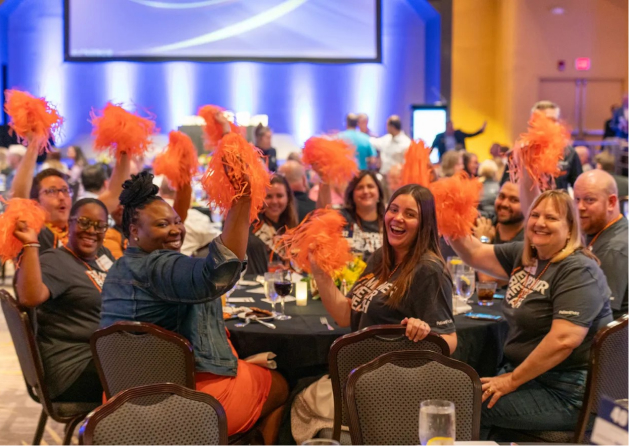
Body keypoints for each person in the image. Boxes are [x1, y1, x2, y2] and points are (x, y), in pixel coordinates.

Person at [100, 171, 289, 444]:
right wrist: (242, 201)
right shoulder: (160, 265)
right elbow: (217, 274)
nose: (176, 229)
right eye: (163, 224)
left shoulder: (118, 268)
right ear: (134, 231)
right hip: (186, 403)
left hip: (120, 400)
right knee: (282, 385)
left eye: (177, 221)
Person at [292, 184, 457, 444]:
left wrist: (425, 331)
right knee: (298, 385)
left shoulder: (429, 270)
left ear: (424, 224)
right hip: (359, 380)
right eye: (393, 209)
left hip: (390, 392)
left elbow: (448, 339)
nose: (398, 218)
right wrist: (319, 271)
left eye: (410, 214)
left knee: (296, 392)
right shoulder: (381, 257)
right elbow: (346, 316)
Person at [449, 190, 612, 437]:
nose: (540, 222)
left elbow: (564, 340)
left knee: (467, 407)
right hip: (528, 376)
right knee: (456, 391)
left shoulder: (579, 270)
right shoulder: (526, 255)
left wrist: (512, 380)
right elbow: (474, 253)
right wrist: (447, 218)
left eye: (551, 217)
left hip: (568, 391)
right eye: (535, 215)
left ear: (570, 228)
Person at [13, 198, 113, 403]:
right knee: (149, 375)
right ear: (71, 223)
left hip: (101, 358)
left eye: (100, 225)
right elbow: (30, 298)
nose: (92, 231)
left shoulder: (103, 256)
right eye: (84, 222)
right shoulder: (56, 261)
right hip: (72, 369)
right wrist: (31, 244)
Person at [10, 142, 130, 253]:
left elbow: (114, 194)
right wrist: (34, 144)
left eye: (65, 190)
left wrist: (124, 148)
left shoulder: (78, 223)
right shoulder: (33, 230)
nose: (62, 196)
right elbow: (18, 199)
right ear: (35, 201)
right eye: (52, 191)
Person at [573, 170, 628, 318]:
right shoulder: (603, 230)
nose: (580, 207)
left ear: (611, 202)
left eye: (589, 200)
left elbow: (602, 312)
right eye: (577, 199)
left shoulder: (614, 249)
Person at [318, 171, 385, 262]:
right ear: (352, 194)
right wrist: (324, 179)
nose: (365, 191)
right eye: (360, 188)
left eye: (370, 186)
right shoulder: (342, 218)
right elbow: (323, 214)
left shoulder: (389, 220)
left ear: (379, 192)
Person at [246, 174, 298, 275]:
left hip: (282, 285)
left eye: (279, 196)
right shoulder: (251, 227)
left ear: (288, 198)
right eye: (268, 196)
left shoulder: (292, 227)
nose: (274, 201)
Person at [474, 181, 525, 285]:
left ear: (528, 204)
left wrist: (483, 241)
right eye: (501, 196)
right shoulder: (485, 225)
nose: (504, 204)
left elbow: (487, 281)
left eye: (514, 200)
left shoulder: (529, 242)